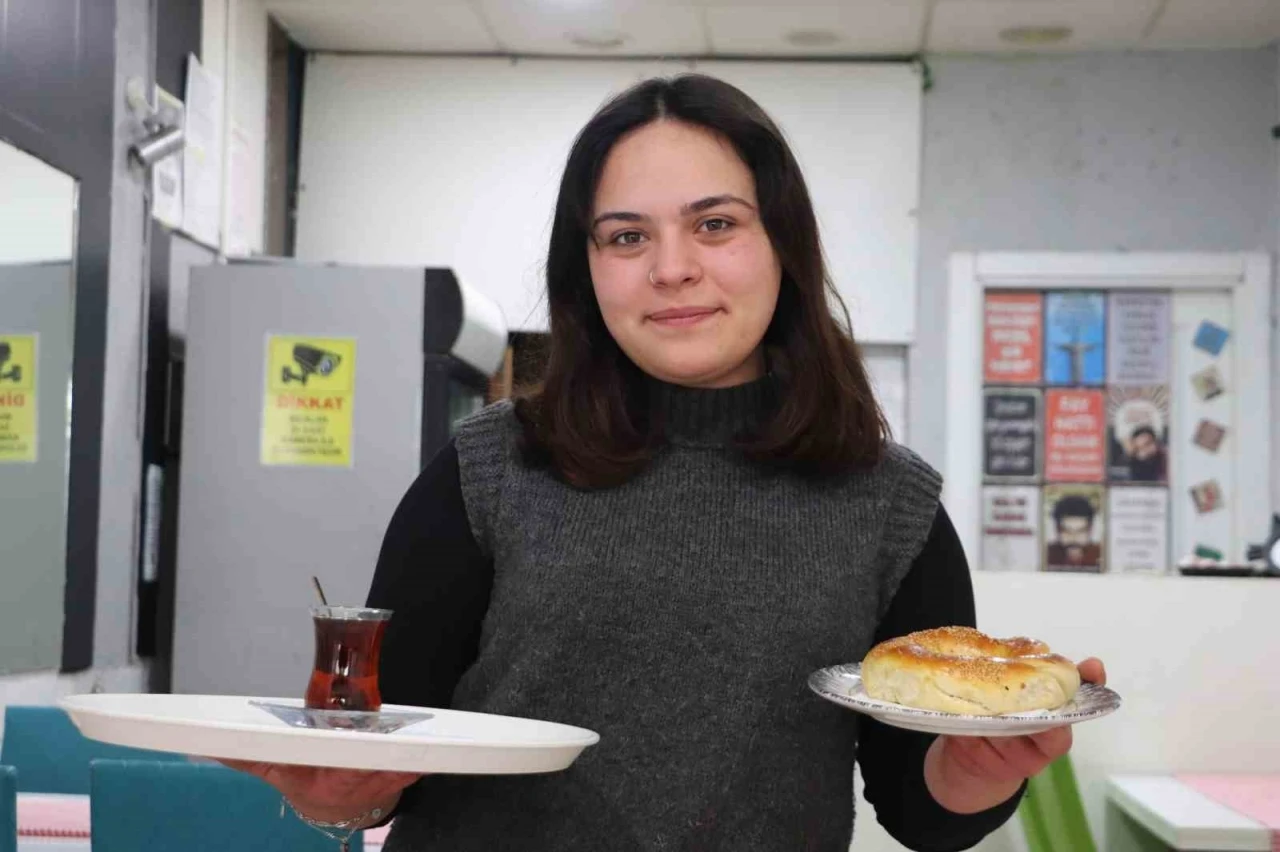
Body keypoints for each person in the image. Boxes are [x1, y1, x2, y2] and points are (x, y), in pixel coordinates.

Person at [224, 74, 1106, 851]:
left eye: (715, 224)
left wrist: (984, 767)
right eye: (626, 237)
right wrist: (338, 797)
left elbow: (923, 812)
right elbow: (380, 753)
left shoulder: (890, 504)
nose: (672, 269)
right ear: (589, 269)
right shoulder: (489, 470)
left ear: (783, 248)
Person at [1046, 494, 1103, 572]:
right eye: (1066, 531)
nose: (1074, 538)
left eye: (1081, 531)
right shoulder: (1045, 557)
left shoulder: (1103, 557)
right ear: (1056, 530)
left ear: (1091, 530)